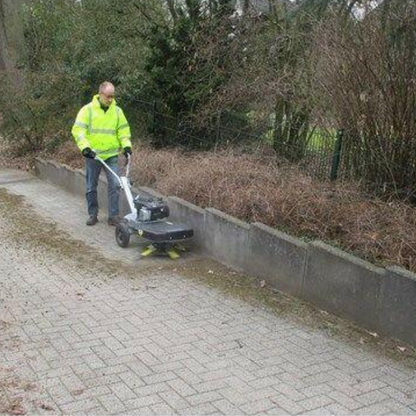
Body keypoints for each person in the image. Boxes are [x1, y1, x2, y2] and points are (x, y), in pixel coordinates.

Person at [71, 81, 132, 226]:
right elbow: (78, 130)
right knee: (91, 186)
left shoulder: (117, 111)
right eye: (108, 96)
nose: (111, 99)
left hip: (111, 155)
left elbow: (123, 131)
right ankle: (93, 214)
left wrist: (127, 146)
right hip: (93, 155)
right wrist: (85, 148)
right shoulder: (87, 110)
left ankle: (113, 216)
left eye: (113, 96)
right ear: (100, 94)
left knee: (116, 184)